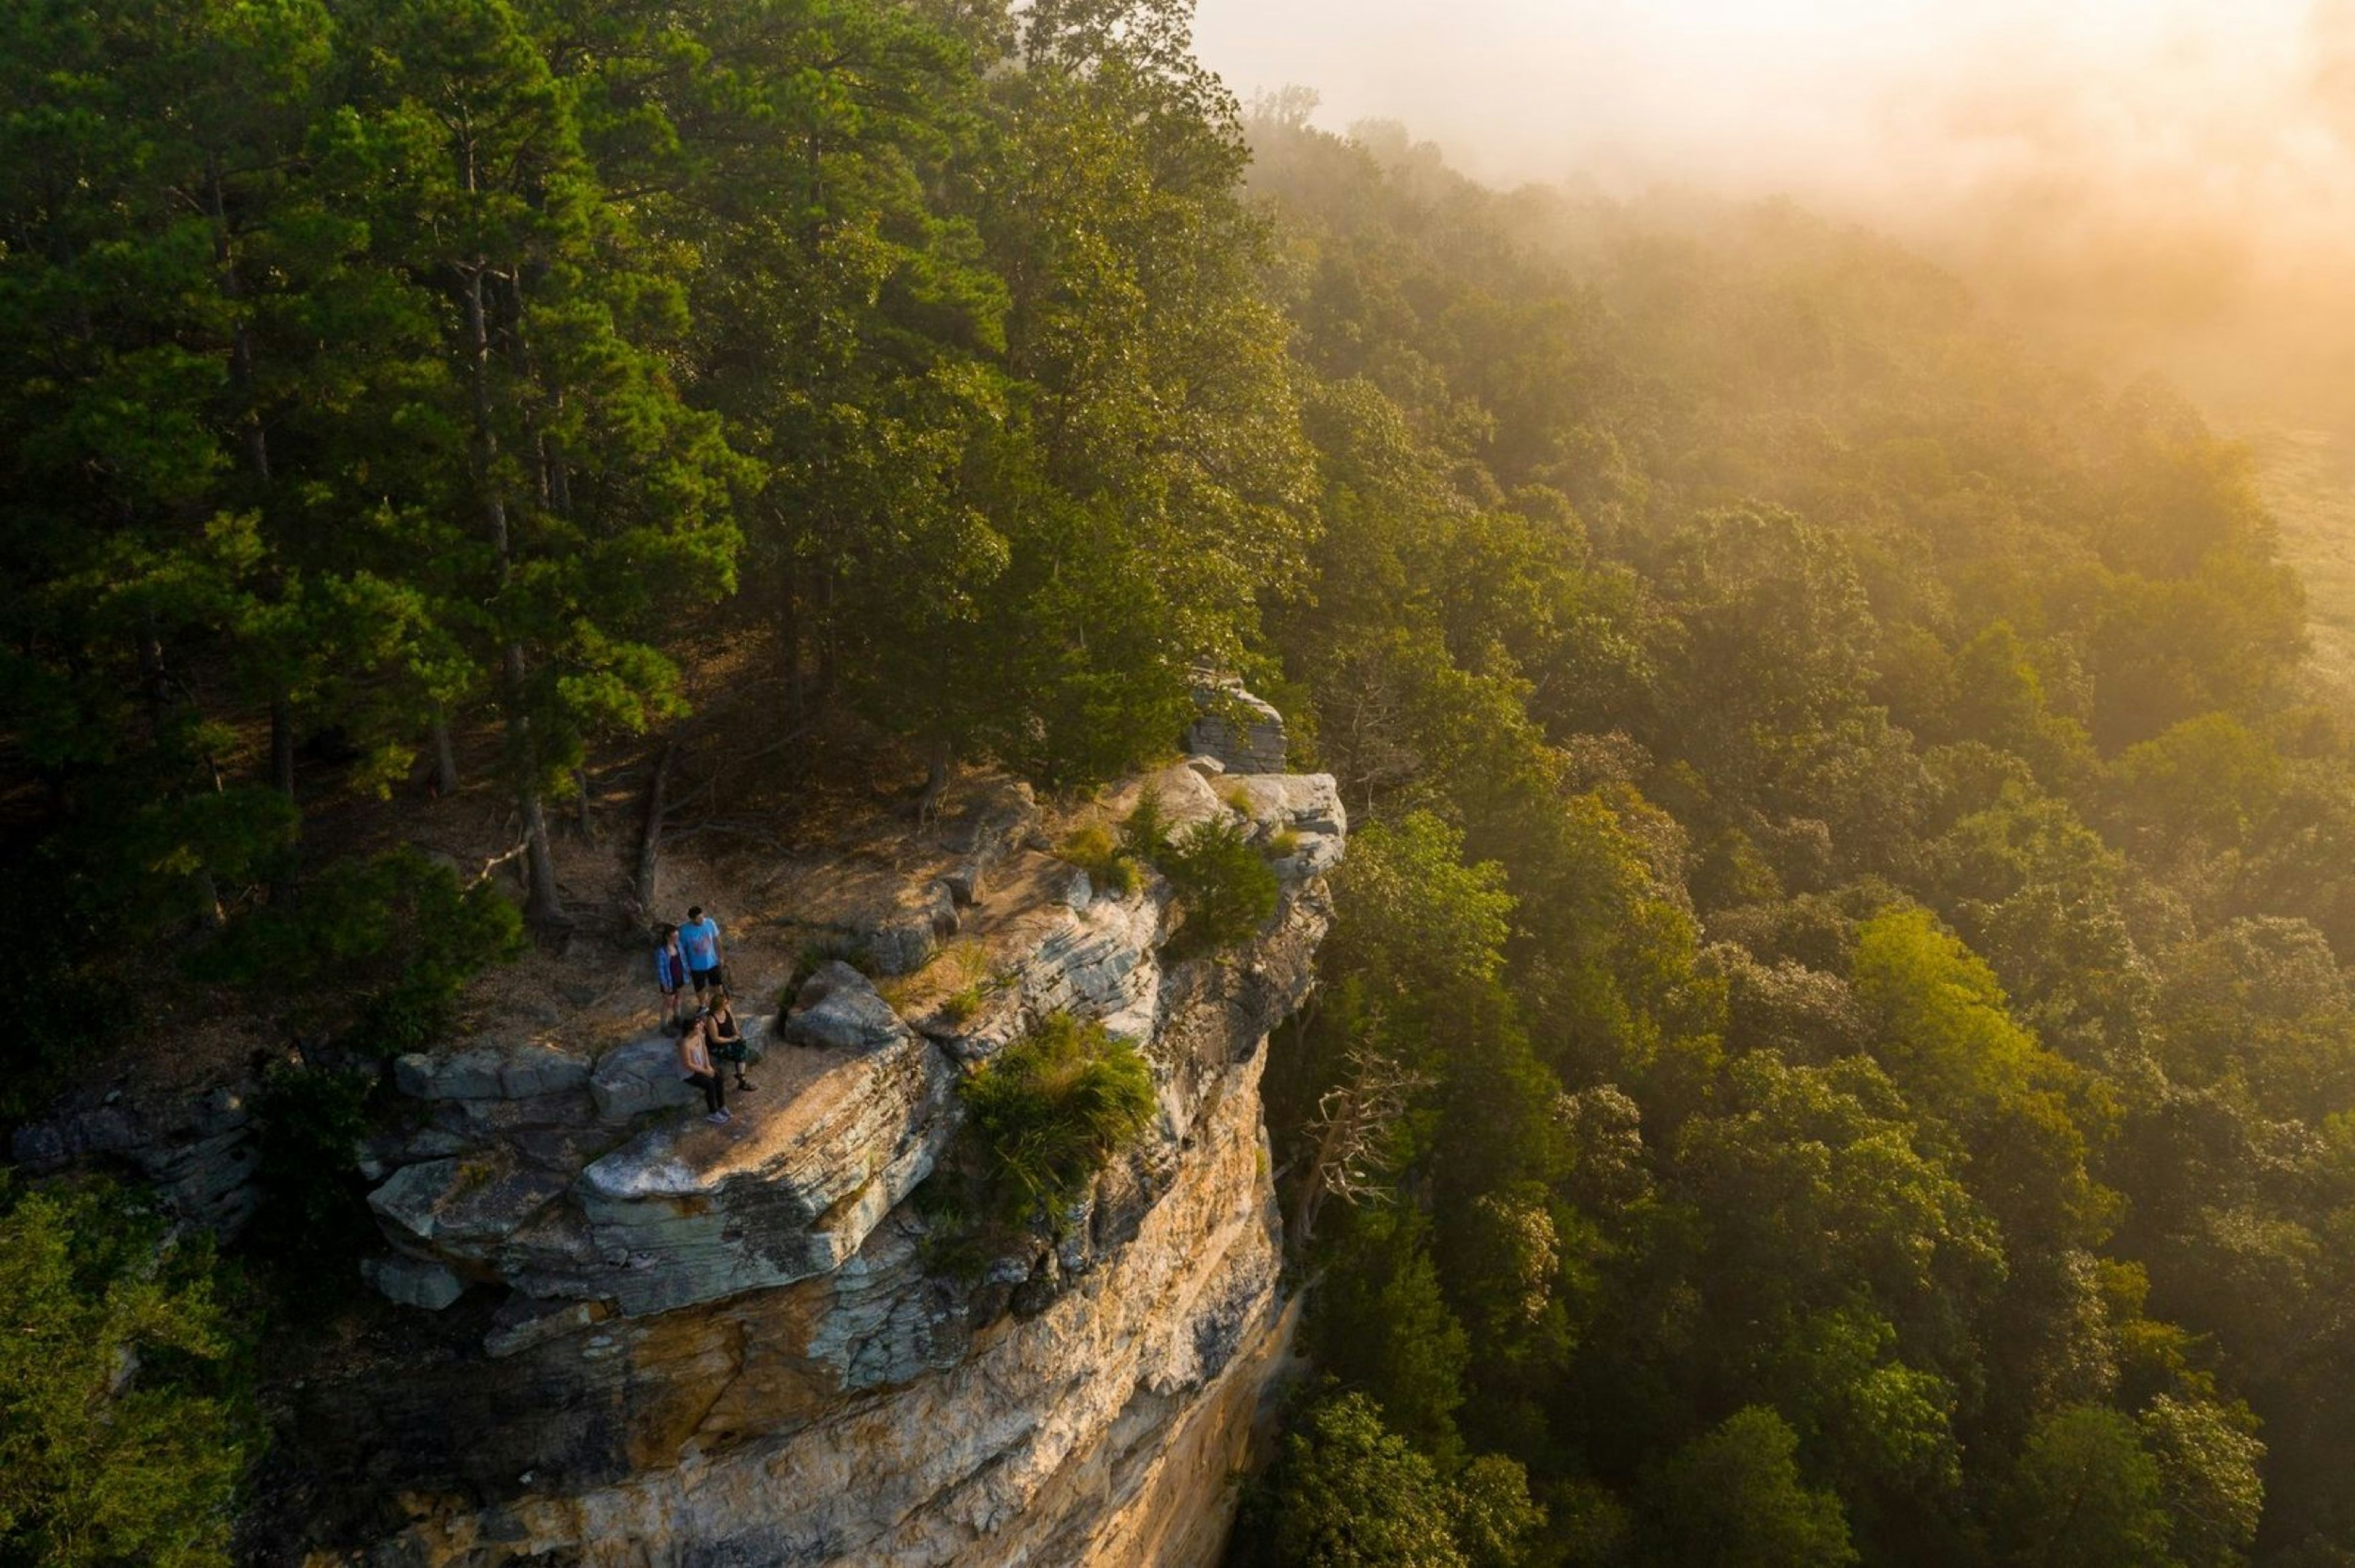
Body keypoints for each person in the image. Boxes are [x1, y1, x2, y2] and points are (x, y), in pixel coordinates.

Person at [676, 1007, 729, 1125]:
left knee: (718, 1075)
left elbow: (704, 1049)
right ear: (691, 1028)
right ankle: (713, 1113)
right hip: (690, 1072)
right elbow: (688, 1064)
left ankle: (722, 1105)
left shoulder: (699, 1035)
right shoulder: (685, 1044)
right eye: (698, 1023)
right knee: (709, 1084)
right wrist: (705, 1072)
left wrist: (708, 1065)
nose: (701, 1024)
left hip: (701, 1066)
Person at [706, 989, 757, 1093]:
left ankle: (741, 1076)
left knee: (742, 1046)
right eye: (725, 1003)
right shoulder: (712, 1019)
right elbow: (715, 1039)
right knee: (740, 1052)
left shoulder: (727, 1009)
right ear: (719, 1006)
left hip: (730, 1039)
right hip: (718, 1045)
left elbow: (732, 1021)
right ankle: (742, 1079)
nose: (727, 1003)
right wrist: (731, 1039)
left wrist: (737, 1033)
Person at [678, 904, 727, 995]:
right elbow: (682, 950)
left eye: (702, 917)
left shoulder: (710, 923)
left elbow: (717, 940)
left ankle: (720, 1004)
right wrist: (685, 966)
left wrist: (721, 957)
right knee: (700, 988)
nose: (701, 920)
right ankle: (703, 1007)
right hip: (696, 966)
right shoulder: (684, 930)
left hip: (712, 963)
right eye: (698, 919)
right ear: (692, 919)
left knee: (718, 984)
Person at [653, 924, 690, 1030]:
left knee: (679, 999)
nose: (677, 939)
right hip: (669, 981)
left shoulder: (679, 945)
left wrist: (687, 972)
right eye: (674, 937)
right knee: (668, 1003)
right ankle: (665, 1025)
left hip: (681, 977)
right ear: (667, 937)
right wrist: (664, 984)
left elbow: (683, 959)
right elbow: (660, 970)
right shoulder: (662, 952)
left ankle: (677, 1018)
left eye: (677, 936)